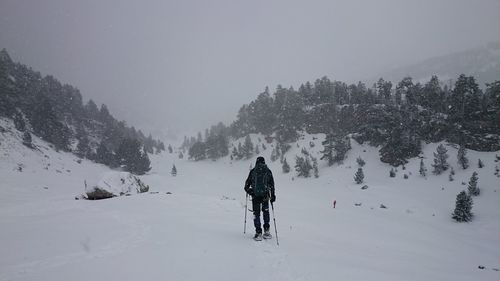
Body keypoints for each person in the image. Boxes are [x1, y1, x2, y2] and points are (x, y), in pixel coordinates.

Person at [244, 156, 276, 241]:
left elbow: (246, 185)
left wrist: (250, 191)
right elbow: (272, 185)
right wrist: (273, 196)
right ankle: (267, 231)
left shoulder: (253, 171)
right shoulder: (268, 171)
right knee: (266, 212)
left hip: (255, 197)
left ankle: (258, 233)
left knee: (256, 214)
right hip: (265, 196)